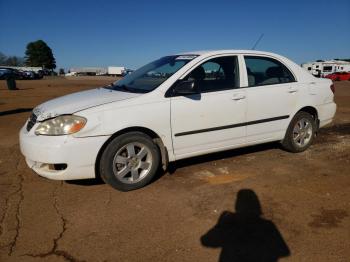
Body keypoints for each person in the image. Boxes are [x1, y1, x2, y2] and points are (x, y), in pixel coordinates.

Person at [201, 189, 290, 262]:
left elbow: (206, 240)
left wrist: (220, 224)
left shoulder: (230, 223)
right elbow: (284, 251)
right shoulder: (267, 225)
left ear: (238, 206)